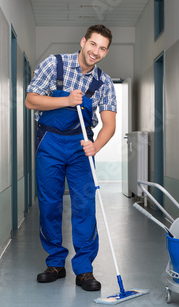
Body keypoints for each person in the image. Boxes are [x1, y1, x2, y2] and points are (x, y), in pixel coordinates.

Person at [25, 25, 117, 291]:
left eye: (102, 48)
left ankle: (84, 269)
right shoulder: (54, 65)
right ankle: (55, 263)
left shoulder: (104, 82)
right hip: (50, 141)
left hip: (81, 147)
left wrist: (95, 146)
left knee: (84, 205)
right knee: (50, 203)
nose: (95, 52)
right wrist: (65, 101)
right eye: (93, 44)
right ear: (83, 41)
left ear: (106, 52)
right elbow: (31, 100)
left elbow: (108, 125)